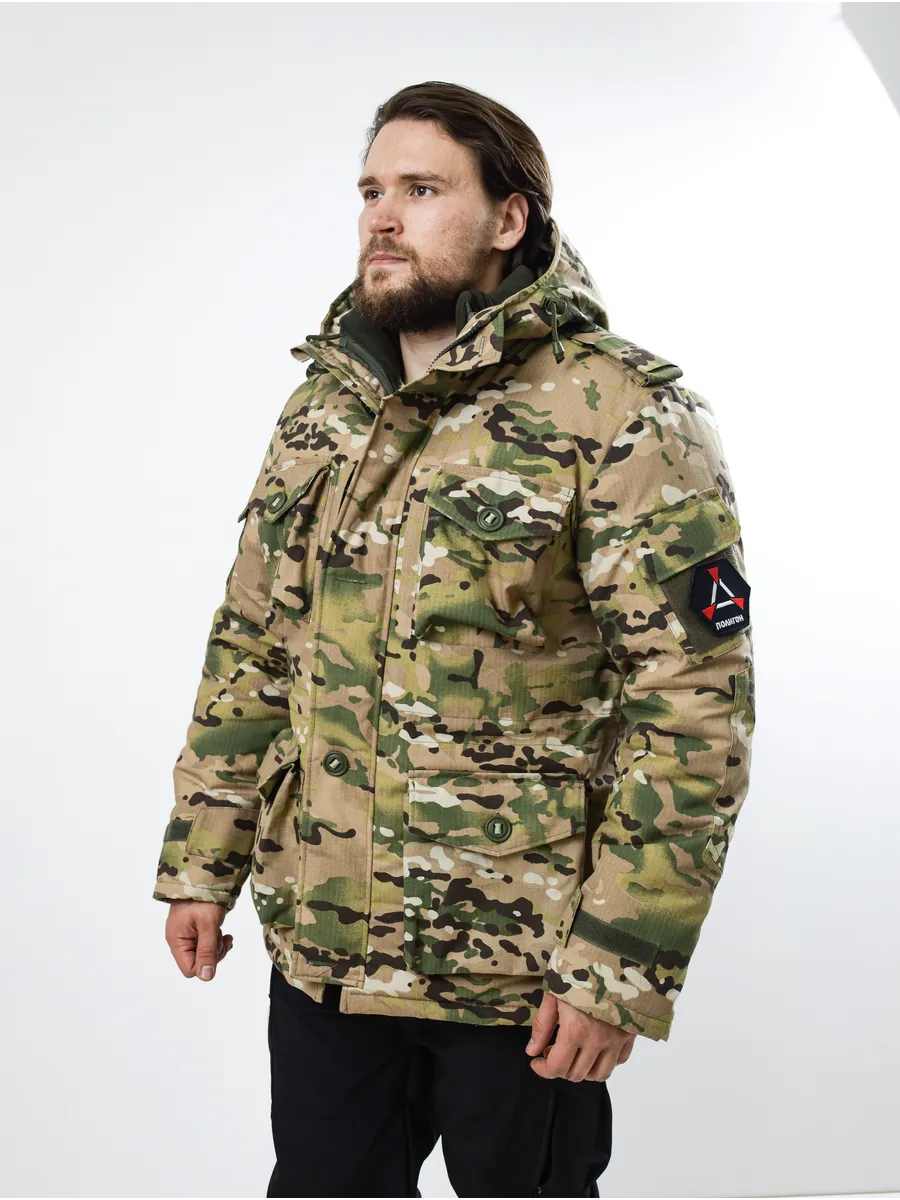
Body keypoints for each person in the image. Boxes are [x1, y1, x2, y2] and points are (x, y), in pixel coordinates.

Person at [154, 80, 755, 1199]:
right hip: (326, 953)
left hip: (518, 973)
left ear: (508, 217)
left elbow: (692, 710)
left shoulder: (618, 412)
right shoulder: (326, 406)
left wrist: (617, 968)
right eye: (371, 191)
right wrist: (204, 859)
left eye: (422, 190)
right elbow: (253, 644)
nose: (383, 217)